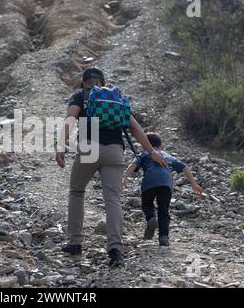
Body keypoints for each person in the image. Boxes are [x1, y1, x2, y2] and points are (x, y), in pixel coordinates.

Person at [55, 67, 169, 265]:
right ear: (103, 82)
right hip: (115, 151)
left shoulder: (80, 96)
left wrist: (60, 146)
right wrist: (152, 152)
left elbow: (70, 120)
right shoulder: (115, 98)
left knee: (77, 192)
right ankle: (115, 248)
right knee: (113, 199)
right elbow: (135, 128)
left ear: (84, 83)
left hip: (90, 147)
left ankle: (74, 243)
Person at [122, 132, 202, 246]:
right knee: (163, 210)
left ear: (145, 144)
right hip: (165, 183)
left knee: (147, 204)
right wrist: (194, 184)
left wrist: (124, 178)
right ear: (160, 145)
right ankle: (163, 238)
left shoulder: (145, 153)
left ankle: (151, 219)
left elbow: (133, 165)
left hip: (149, 182)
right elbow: (184, 167)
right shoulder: (166, 155)